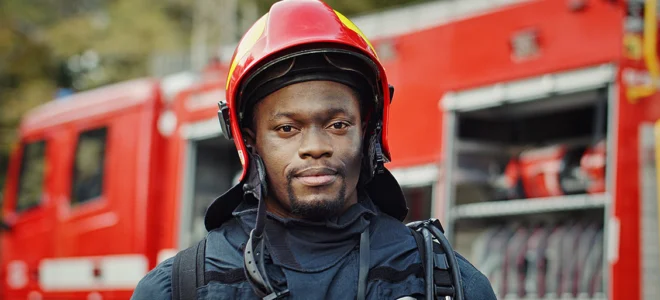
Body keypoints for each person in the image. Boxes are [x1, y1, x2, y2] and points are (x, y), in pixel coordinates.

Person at [131, 0, 495, 299]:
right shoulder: (178, 289)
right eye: (287, 128)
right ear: (250, 138)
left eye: (338, 125)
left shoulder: (446, 282)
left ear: (368, 130)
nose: (316, 147)